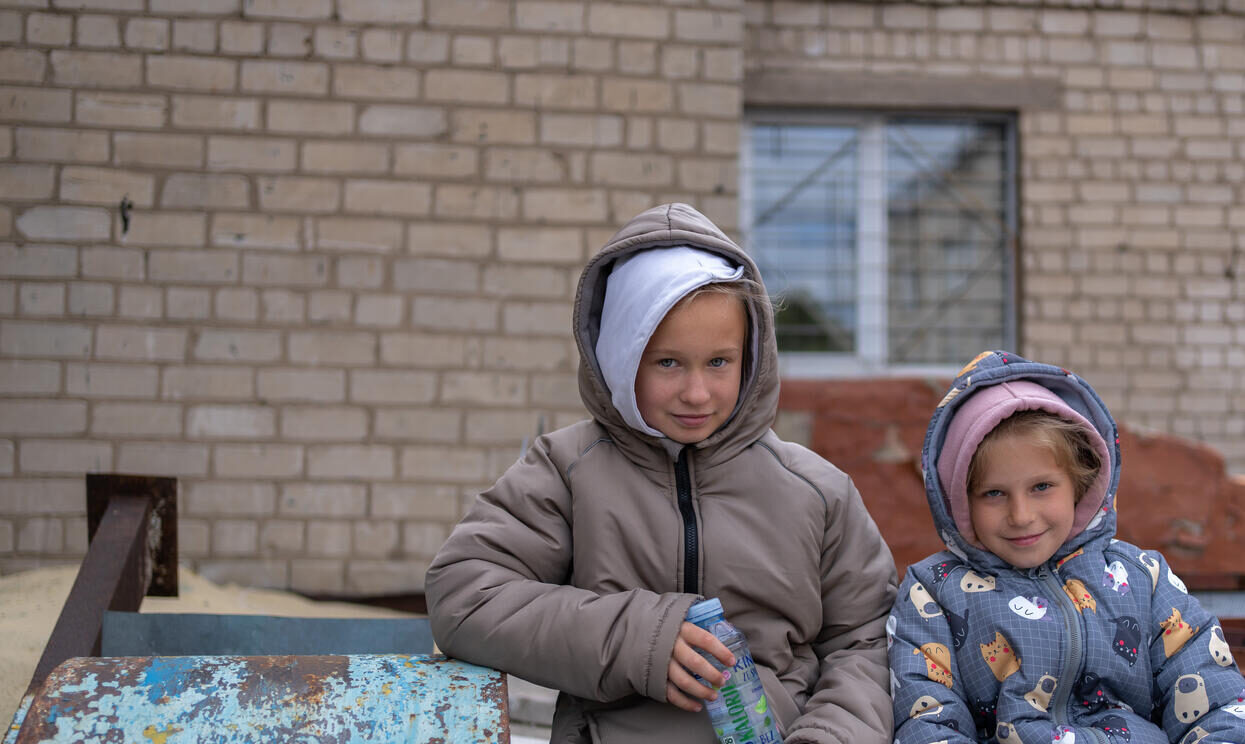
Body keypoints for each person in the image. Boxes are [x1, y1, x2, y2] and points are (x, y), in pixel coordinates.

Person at [425, 203, 898, 743]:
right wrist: (639, 638)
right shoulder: (566, 471)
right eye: (668, 362)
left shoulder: (818, 491)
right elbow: (465, 595)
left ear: (752, 356)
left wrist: (830, 736)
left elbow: (867, 641)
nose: (697, 393)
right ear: (620, 360)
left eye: (719, 362)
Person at [888, 350, 1245, 744]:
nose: (1021, 515)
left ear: (1080, 482)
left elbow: (1214, 698)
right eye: (993, 493)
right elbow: (929, 718)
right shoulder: (934, 591)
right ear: (959, 500)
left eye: (1041, 487)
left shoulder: (1143, 578)